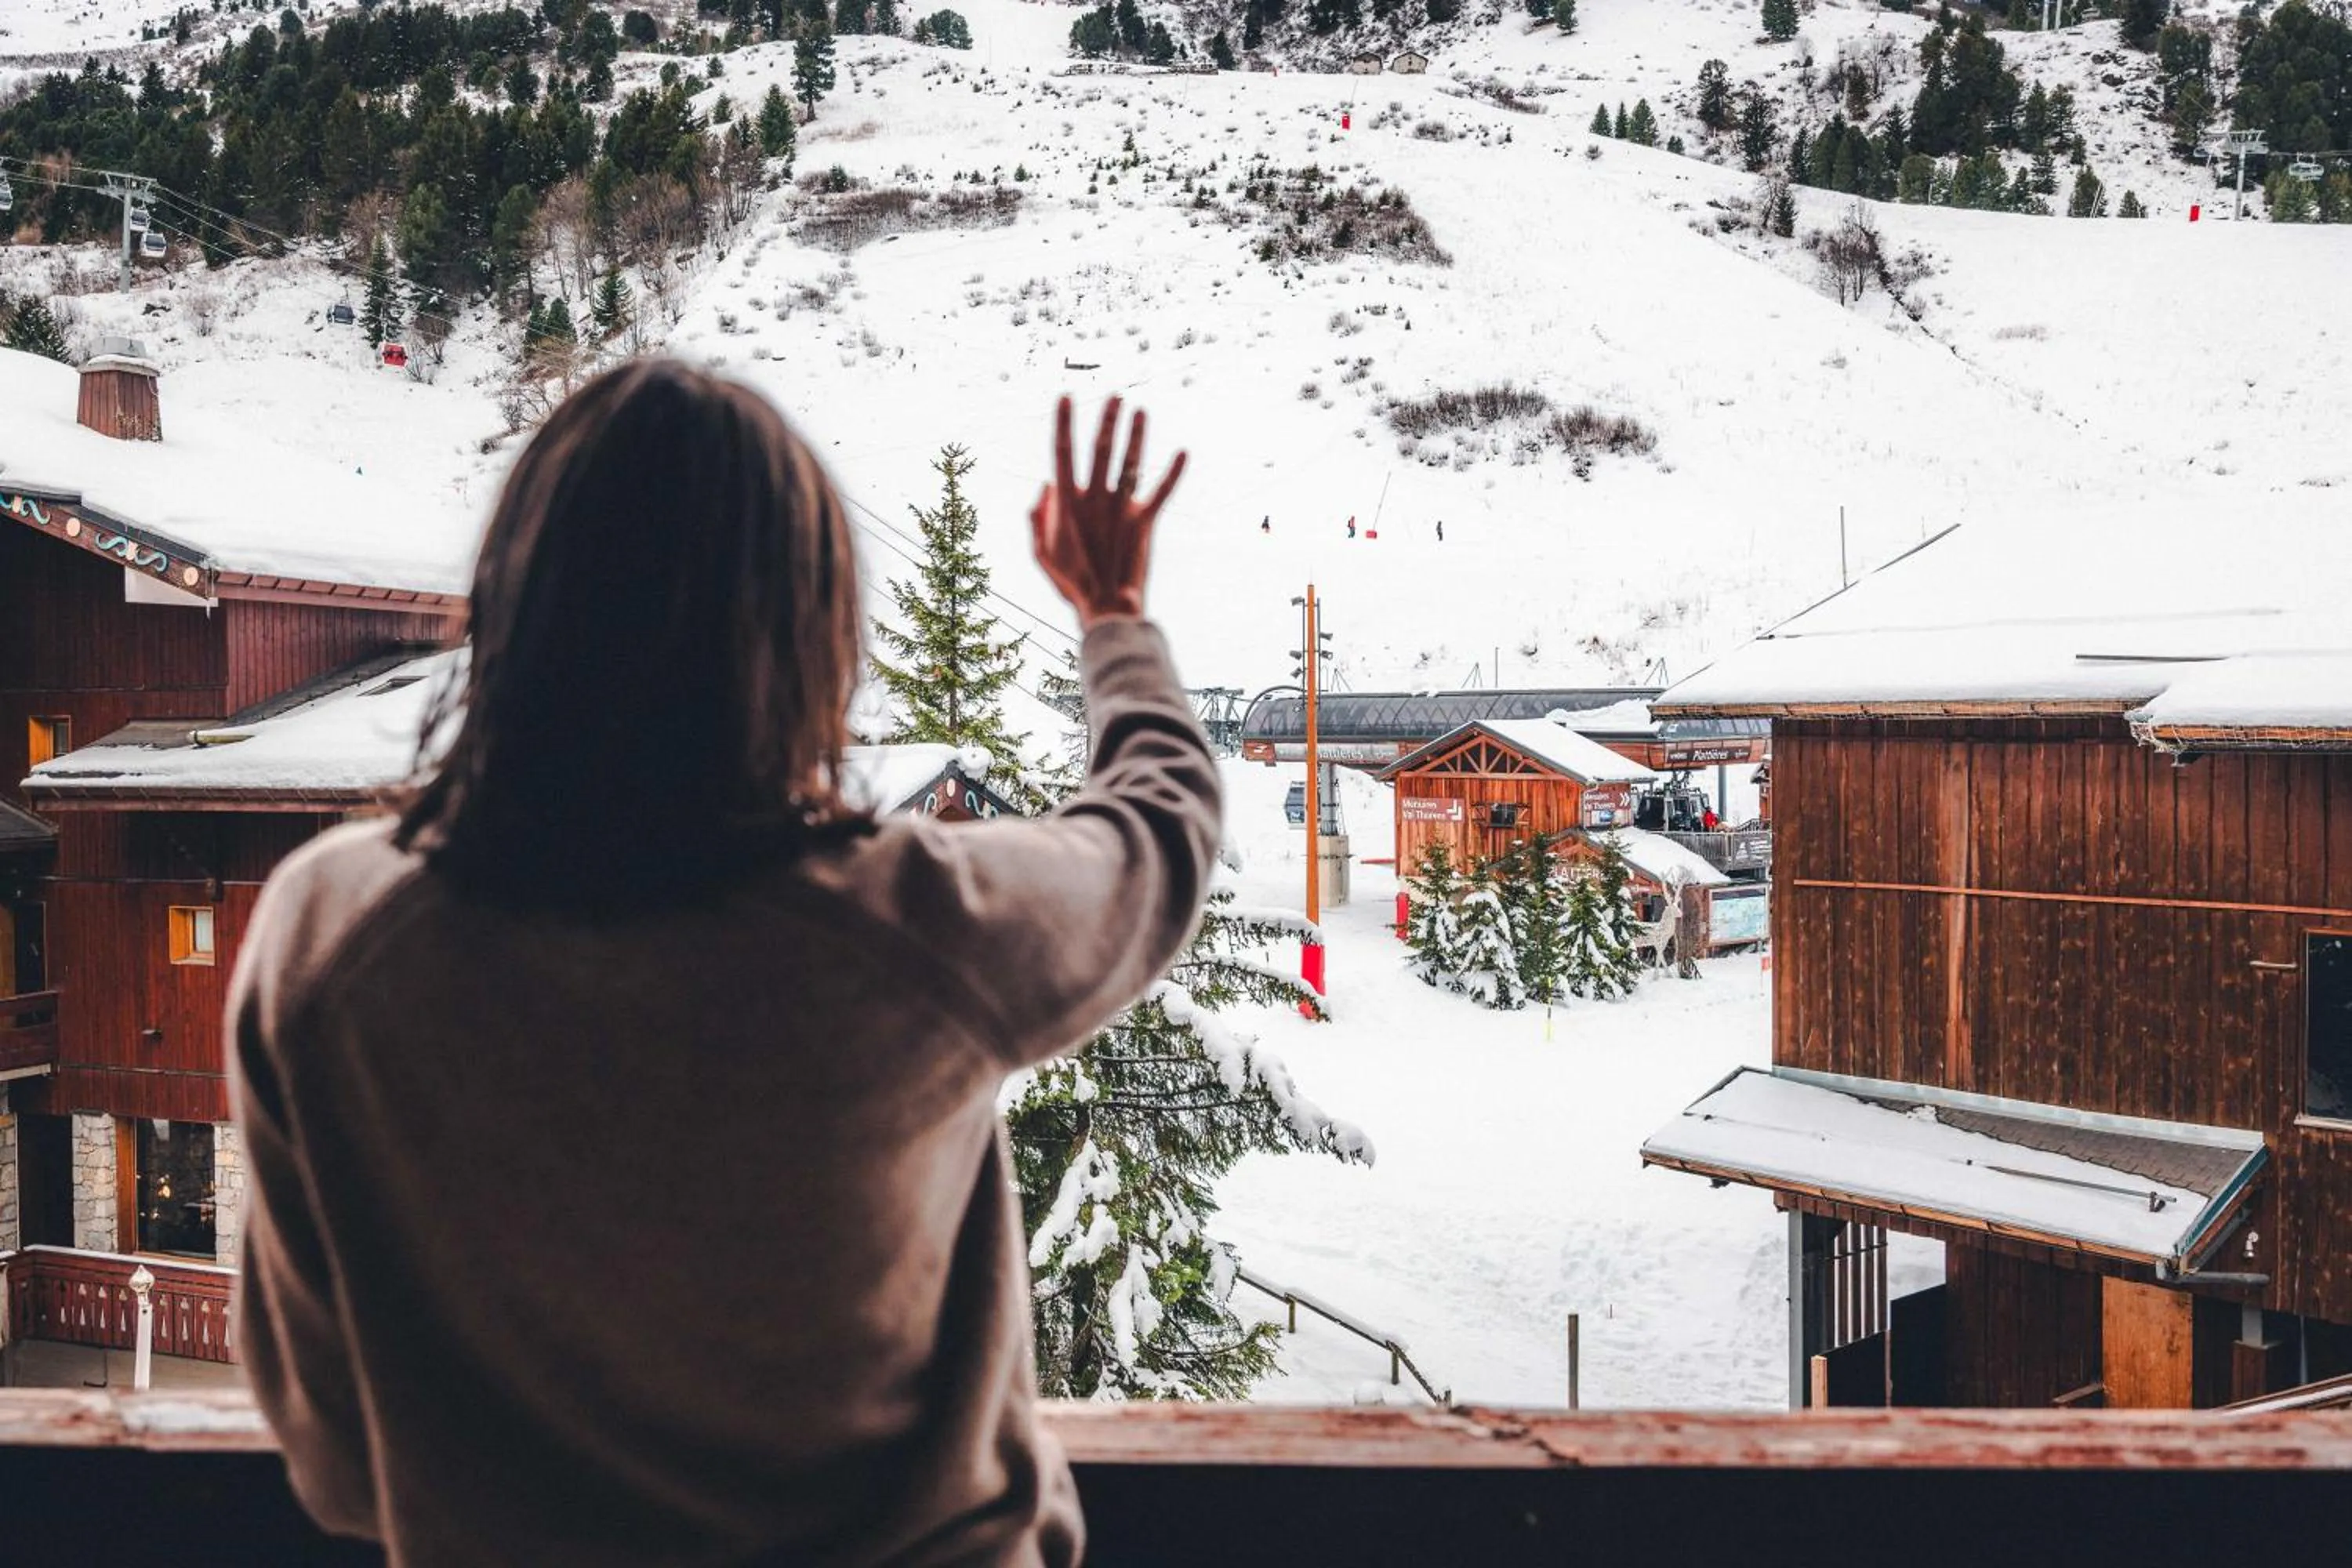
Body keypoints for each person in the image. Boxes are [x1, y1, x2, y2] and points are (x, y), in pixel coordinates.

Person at [228, 368, 1217, 1567]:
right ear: (809, 641)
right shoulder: (915, 932)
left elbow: (331, 1450)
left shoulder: (328, 941)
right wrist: (1113, 616)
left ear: (516, 606)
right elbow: (1155, 835)